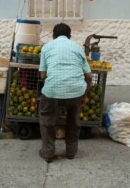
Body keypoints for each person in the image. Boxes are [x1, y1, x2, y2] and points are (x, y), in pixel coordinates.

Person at [38, 23, 92, 163]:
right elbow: (89, 76)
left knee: (47, 120)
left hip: (52, 90)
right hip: (76, 91)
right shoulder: (77, 48)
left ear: (53, 35)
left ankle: (48, 153)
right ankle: (71, 152)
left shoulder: (47, 47)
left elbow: (43, 76)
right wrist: (85, 95)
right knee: (73, 121)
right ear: (70, 35)